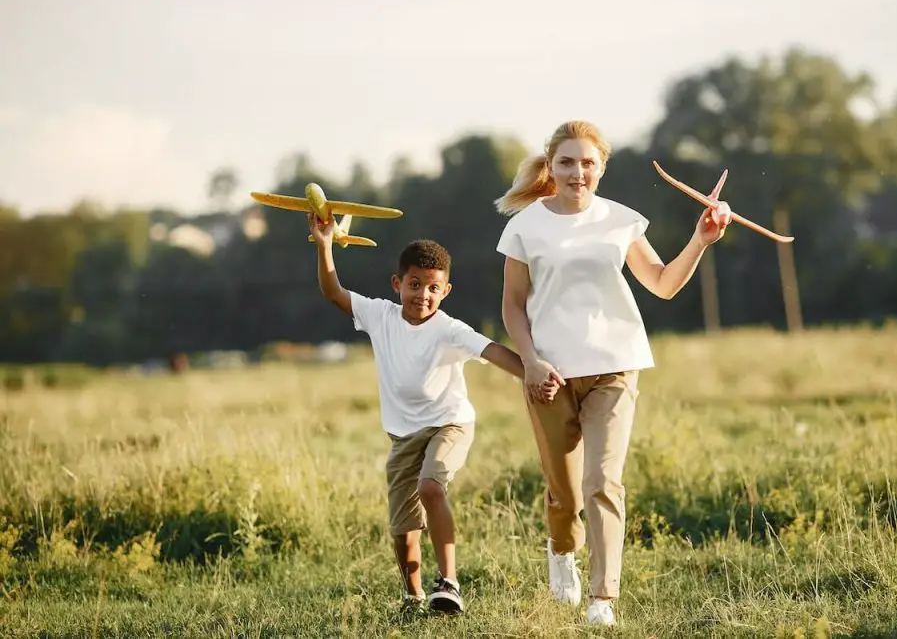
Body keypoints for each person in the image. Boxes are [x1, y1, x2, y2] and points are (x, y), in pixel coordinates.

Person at [494, 120, 731, 626]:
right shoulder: (524, 226)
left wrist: (701, 240)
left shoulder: (622, 221)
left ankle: (603, 600)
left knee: (604, 480)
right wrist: (531, 362)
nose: (577, 172)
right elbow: (513, 307)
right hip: (549, 374)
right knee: (565, 491)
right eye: (567, 162)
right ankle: (562, 550)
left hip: (614, 368)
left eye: (587, 163)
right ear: (551, 166)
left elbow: (663, 284)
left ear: (601, 168)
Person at [309, 213, 555, 614]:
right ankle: (413, 595)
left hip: (450, 424)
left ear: (446, 291)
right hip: (402, 435)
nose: (422, 294)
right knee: (403, 529)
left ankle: (450, 583)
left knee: (431, 487)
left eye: (433, 288)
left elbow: (493, 352)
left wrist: (533, 371)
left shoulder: (449, 329)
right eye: (415, 285)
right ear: (397, 284)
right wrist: (324, 245)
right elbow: (333, 291)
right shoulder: (380, 315)